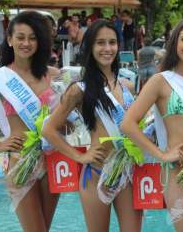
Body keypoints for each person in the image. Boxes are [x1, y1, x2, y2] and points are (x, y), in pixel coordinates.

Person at [0, 11, 60, 231]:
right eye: (21, 37)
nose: (26, 43)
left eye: (33, 37)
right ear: (9, 40)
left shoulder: (53, 75)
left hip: (52, 159)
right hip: (20, 161)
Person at [42, 19, 141, 232]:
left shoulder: (127, 86)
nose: (107, 48)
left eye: (112, 42)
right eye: (100, 43)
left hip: (128, 171)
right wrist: (79, 157)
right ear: (90, 47)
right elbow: (49, 130)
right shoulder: (79, 89)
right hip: (96, 172)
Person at [121, 18, 183, 232]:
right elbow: (127, 124)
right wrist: (161, 154)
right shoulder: (160, 81)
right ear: (174, 42)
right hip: (179, 172)